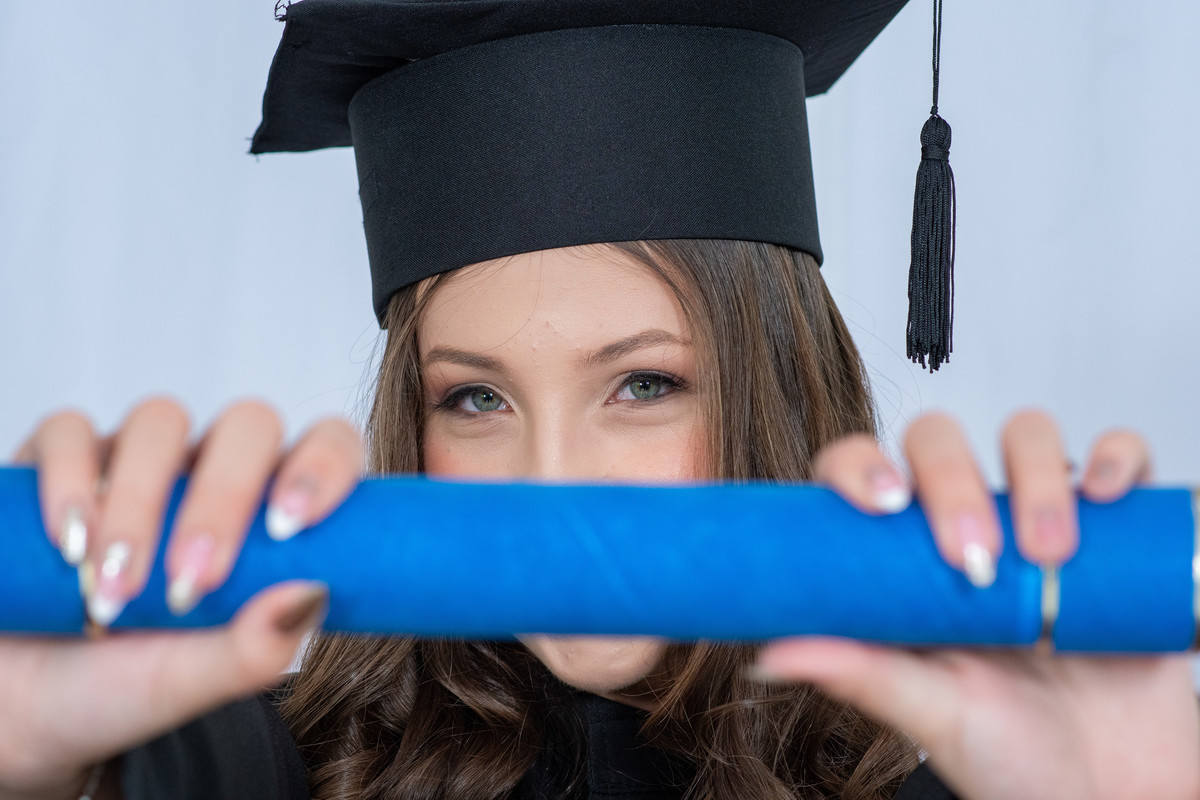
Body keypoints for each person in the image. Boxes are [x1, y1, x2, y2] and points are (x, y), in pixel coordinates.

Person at [2, 2, 1198, 799]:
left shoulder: (995, 775)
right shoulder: (247, 764)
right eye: (475, 398)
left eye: (644, 383)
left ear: (777, 385)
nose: (549, 479)